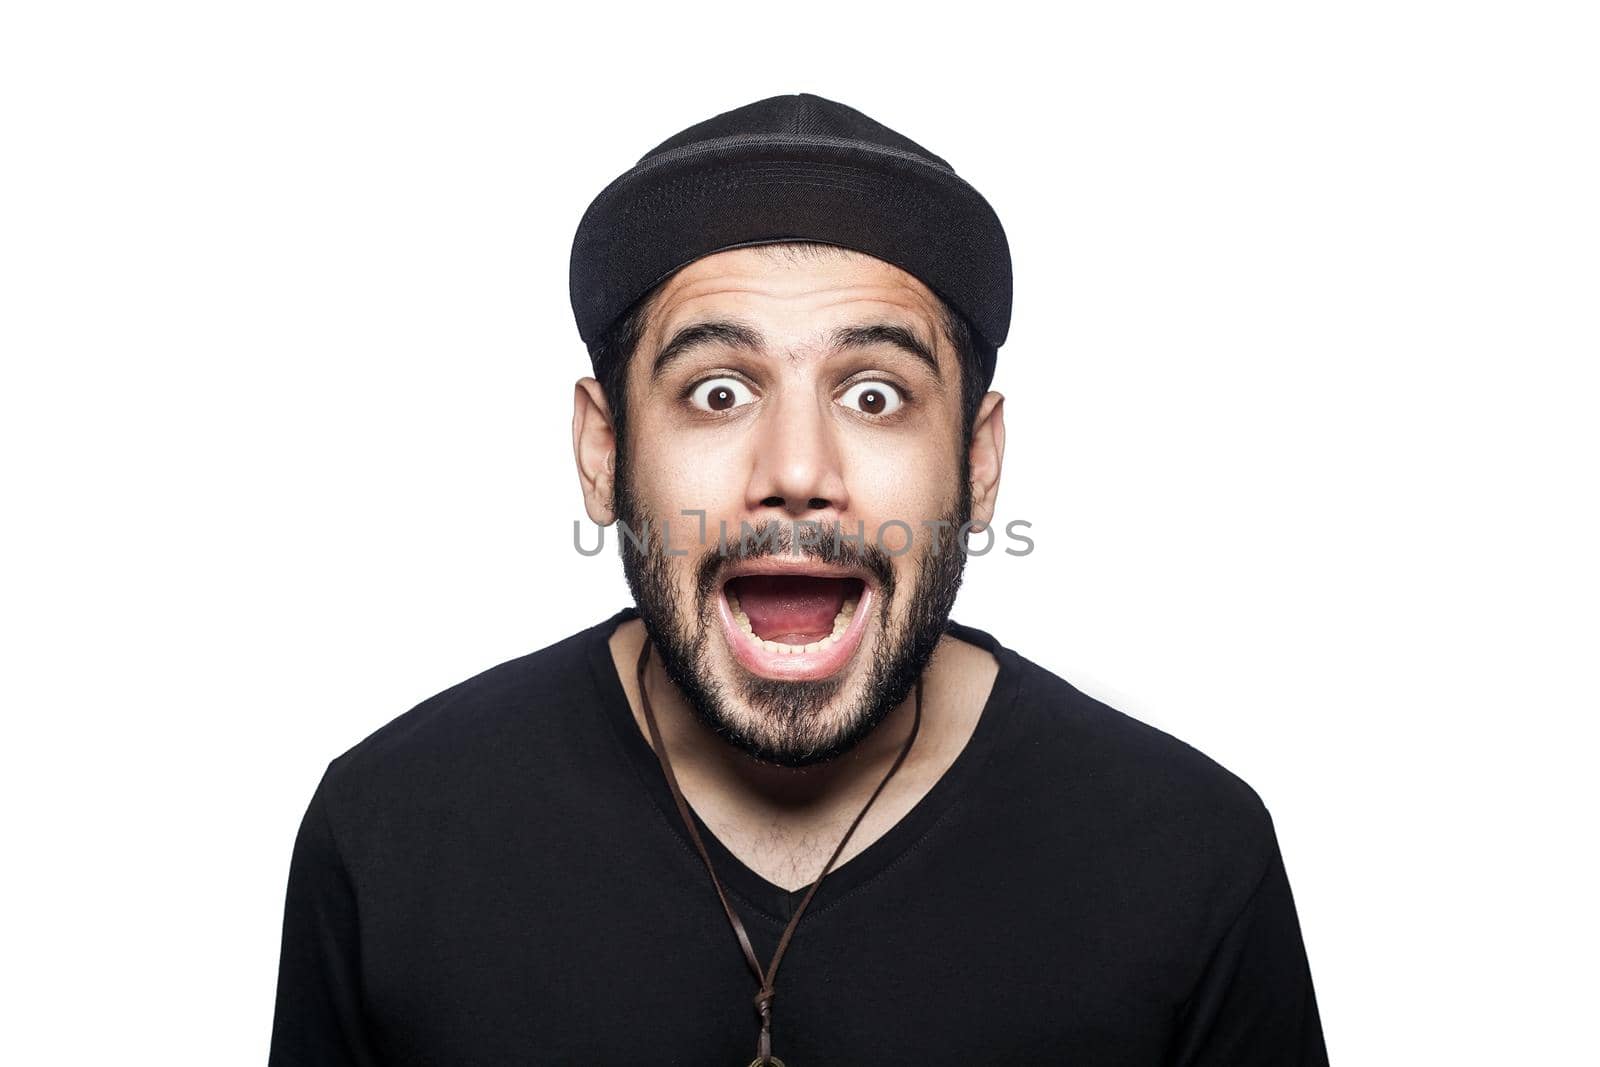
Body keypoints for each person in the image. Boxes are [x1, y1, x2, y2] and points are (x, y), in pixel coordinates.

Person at [268, 92, 1329, 1066]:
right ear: (603, 451)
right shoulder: (390, 831)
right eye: (718, 390)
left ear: (977, 460)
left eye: (874, 395)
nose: (794, 473)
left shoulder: (1191, 858)